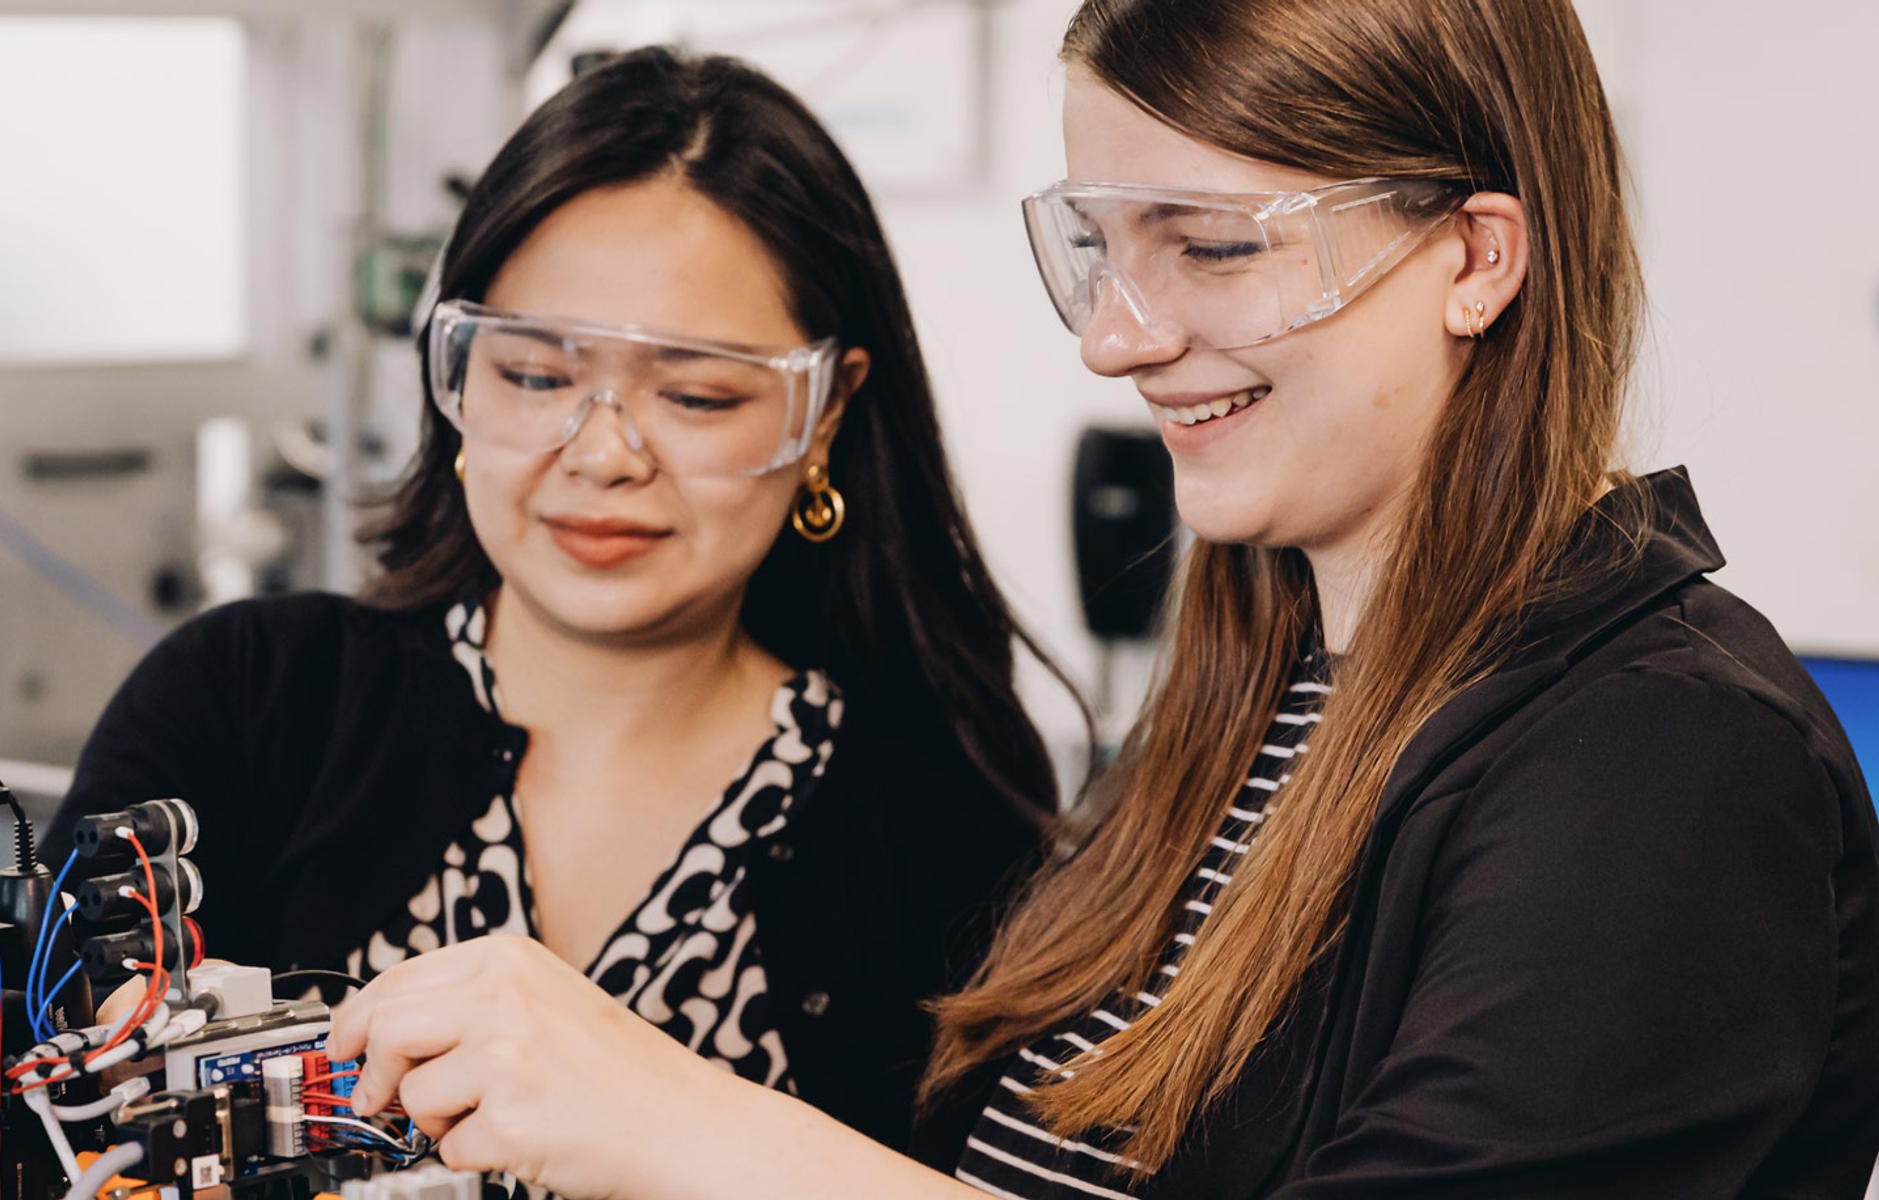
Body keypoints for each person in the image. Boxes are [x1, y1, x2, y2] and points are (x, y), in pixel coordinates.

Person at [322, 1, 1879, 1197]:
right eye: (1096, 249)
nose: (1116, 340)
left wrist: (684, 1123)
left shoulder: (1661, 769)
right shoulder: (1259, 704)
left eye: (1205, 246)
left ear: (1474, 259)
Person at [41, 47, 1069, 1184]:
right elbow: (45, 1124)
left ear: (822, 417)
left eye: (695, 396)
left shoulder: (943, 816)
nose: (602, 455)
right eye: (533, 376)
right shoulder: (246, 703)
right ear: (459, 382)